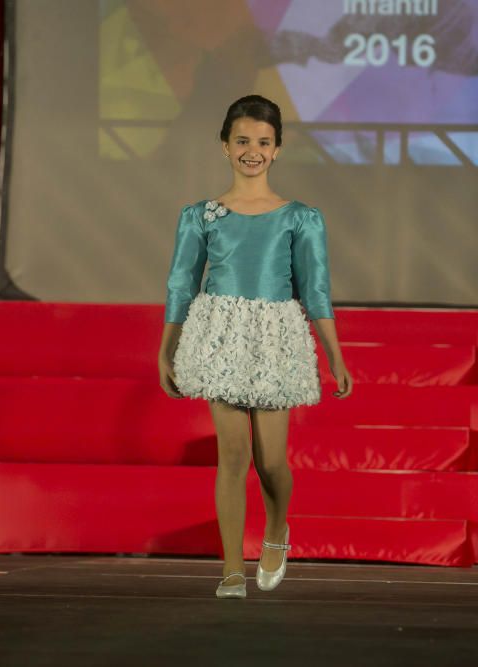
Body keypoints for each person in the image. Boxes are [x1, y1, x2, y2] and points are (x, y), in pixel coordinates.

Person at [157, 95, 353, 599]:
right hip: (220, 334)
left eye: (263, 142)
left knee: (270, 461)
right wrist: (168, 348)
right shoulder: (201, 215)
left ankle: (276, 529)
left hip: (275, 339)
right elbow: (182, 282)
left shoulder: (300, 218)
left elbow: (316, 289)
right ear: (225, 146)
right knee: (233, 455)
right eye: (242, 140)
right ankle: (230, 569)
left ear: (277, 150)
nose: (252, 150)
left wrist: (334, 354)